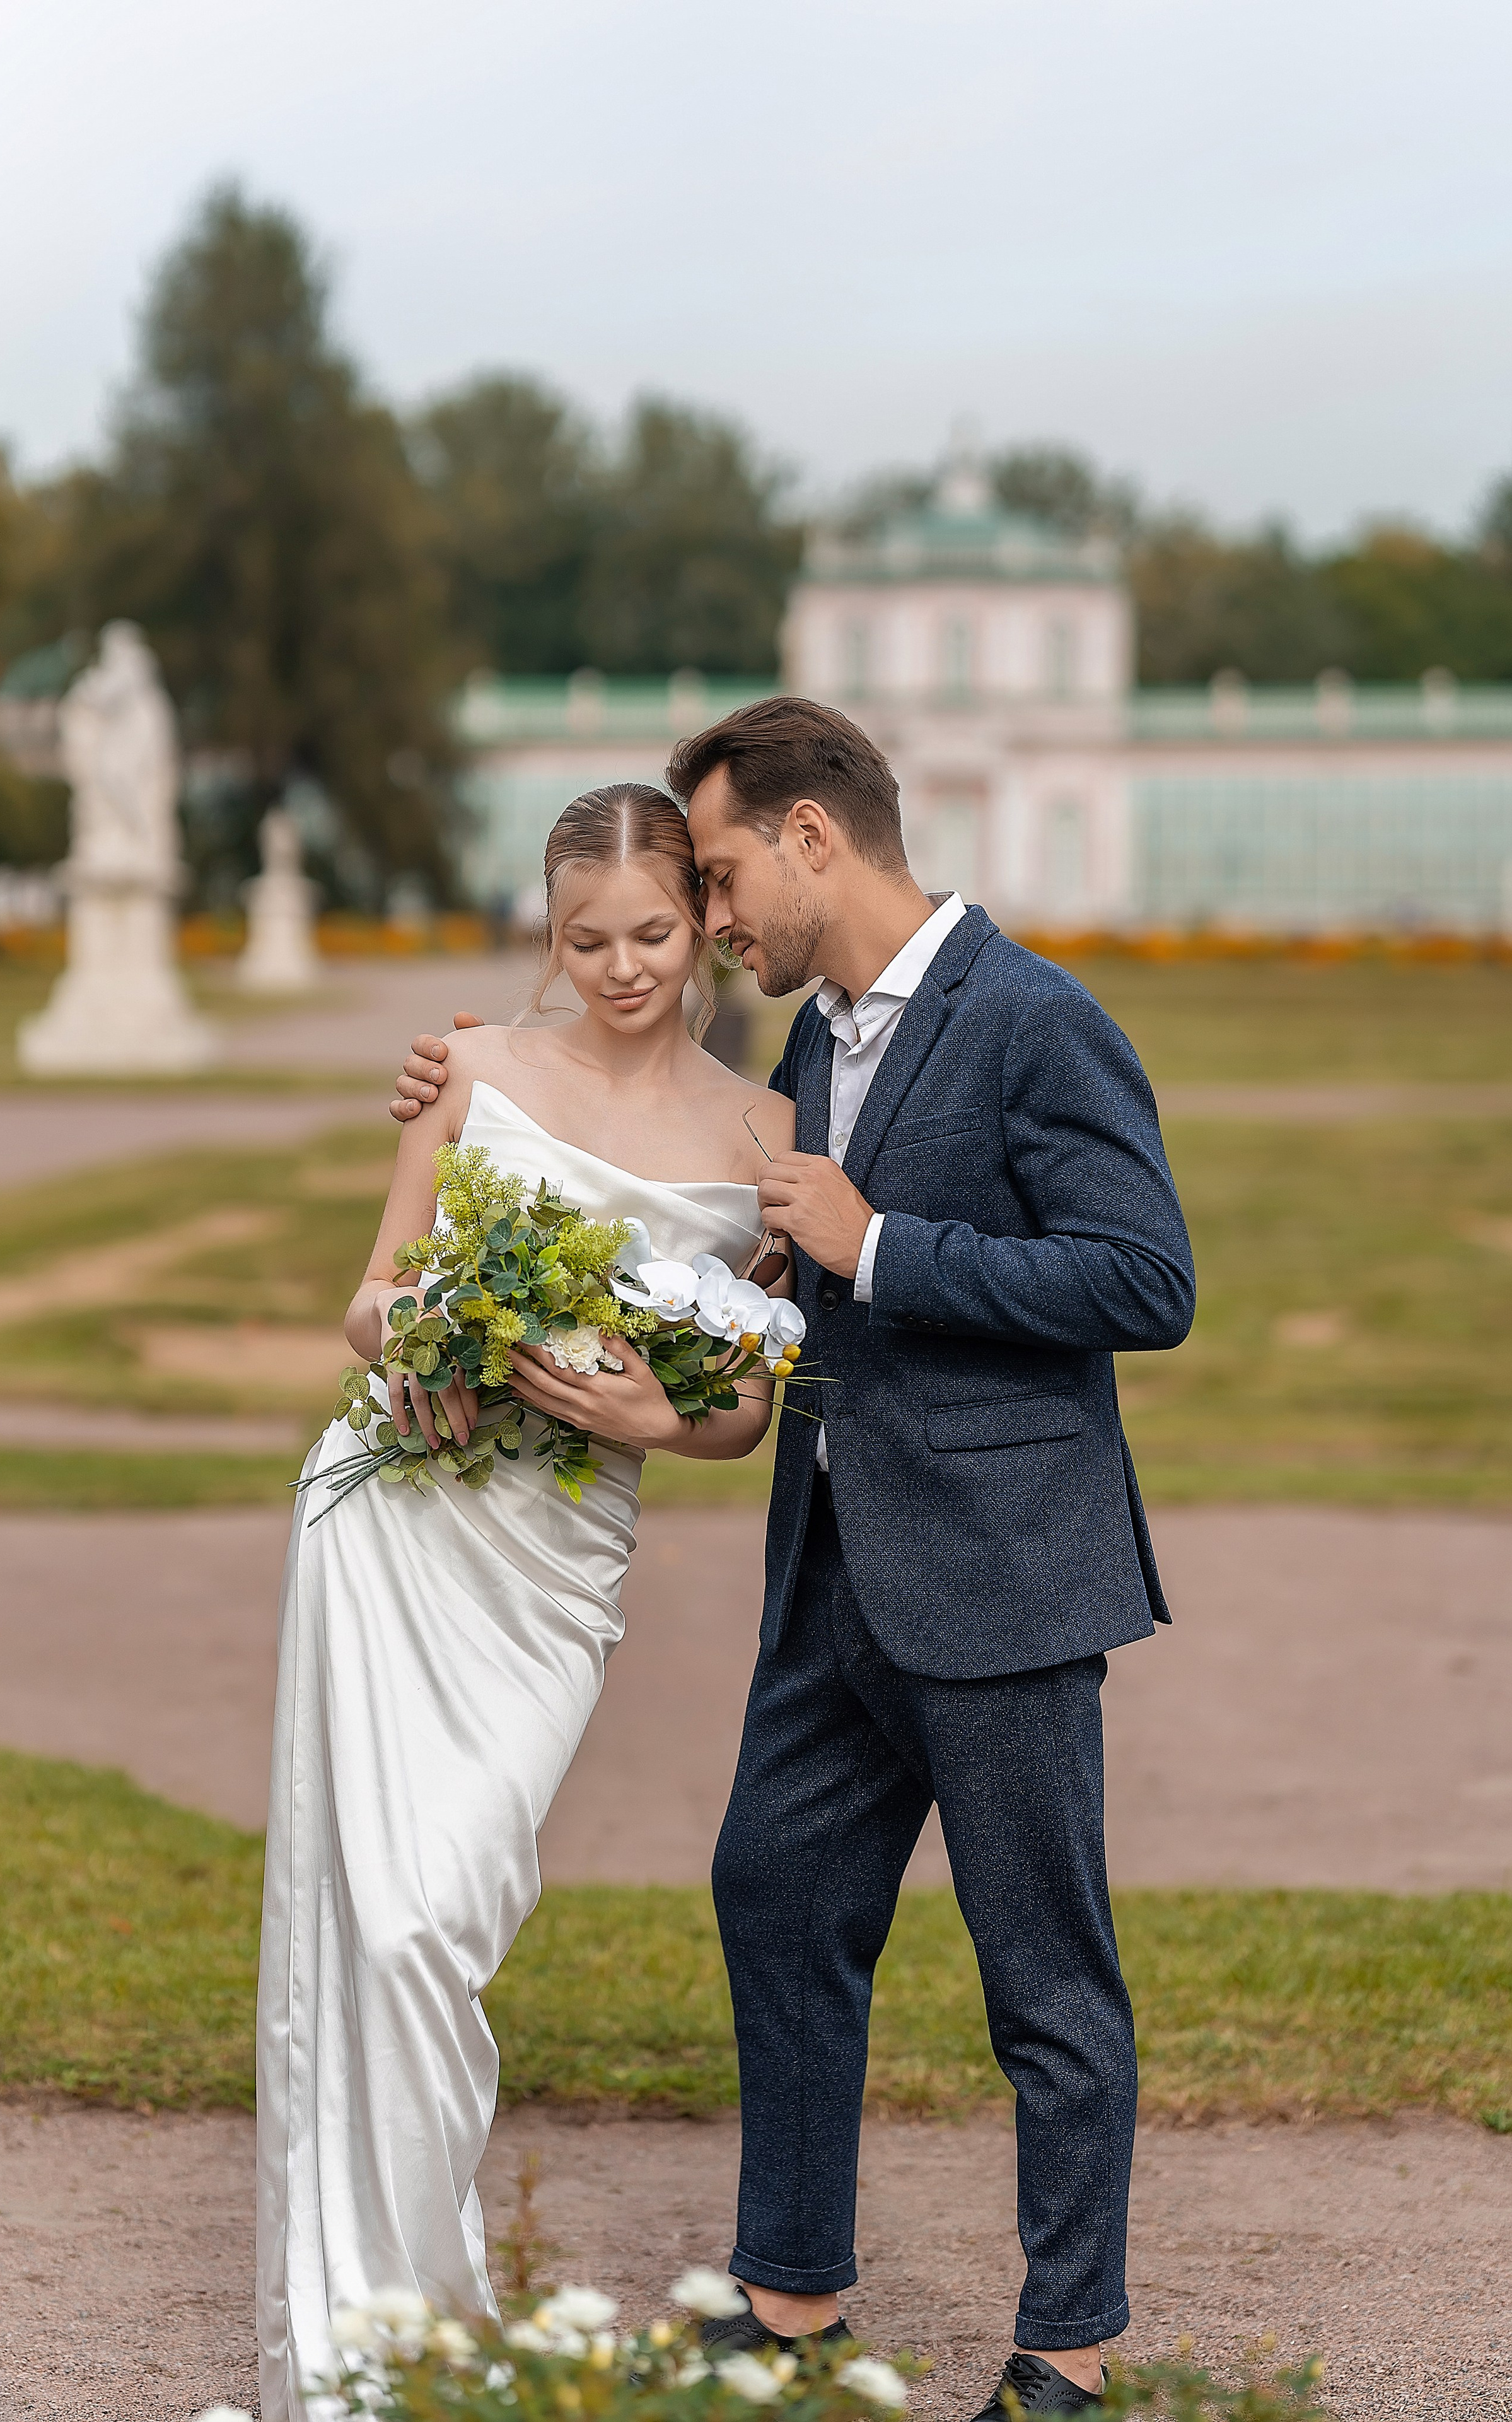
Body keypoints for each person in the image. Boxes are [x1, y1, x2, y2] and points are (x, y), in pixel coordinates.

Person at [390, 698, 1195, 2418]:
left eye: (729, 870)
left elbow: (1146, 1282)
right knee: (774, 1894)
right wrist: (493, 1094)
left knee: (1044, 1970)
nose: (717, 911)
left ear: (816, 836)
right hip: (831, 1566)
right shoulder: (815, 1045)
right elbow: (739, 1249)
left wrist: (882, 1242)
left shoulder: (1040, 1021)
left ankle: (1069, 2353)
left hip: (1001, 1575)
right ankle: (794, 2303)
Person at [258, 783, 795, 2421]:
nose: (619, 966)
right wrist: (423, 1342)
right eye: (584, 938)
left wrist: (653, 1418)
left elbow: (744, 1400)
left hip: (559, 1567)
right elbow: (374, 1290)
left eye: (647, 932)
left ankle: (408, 2319)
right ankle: (388, 2334)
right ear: (547, 929)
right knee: (385, 1919)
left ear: (699, 922)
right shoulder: (474, 1069)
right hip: (396, 1516)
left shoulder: (764, 1136)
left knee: (454, 1905)